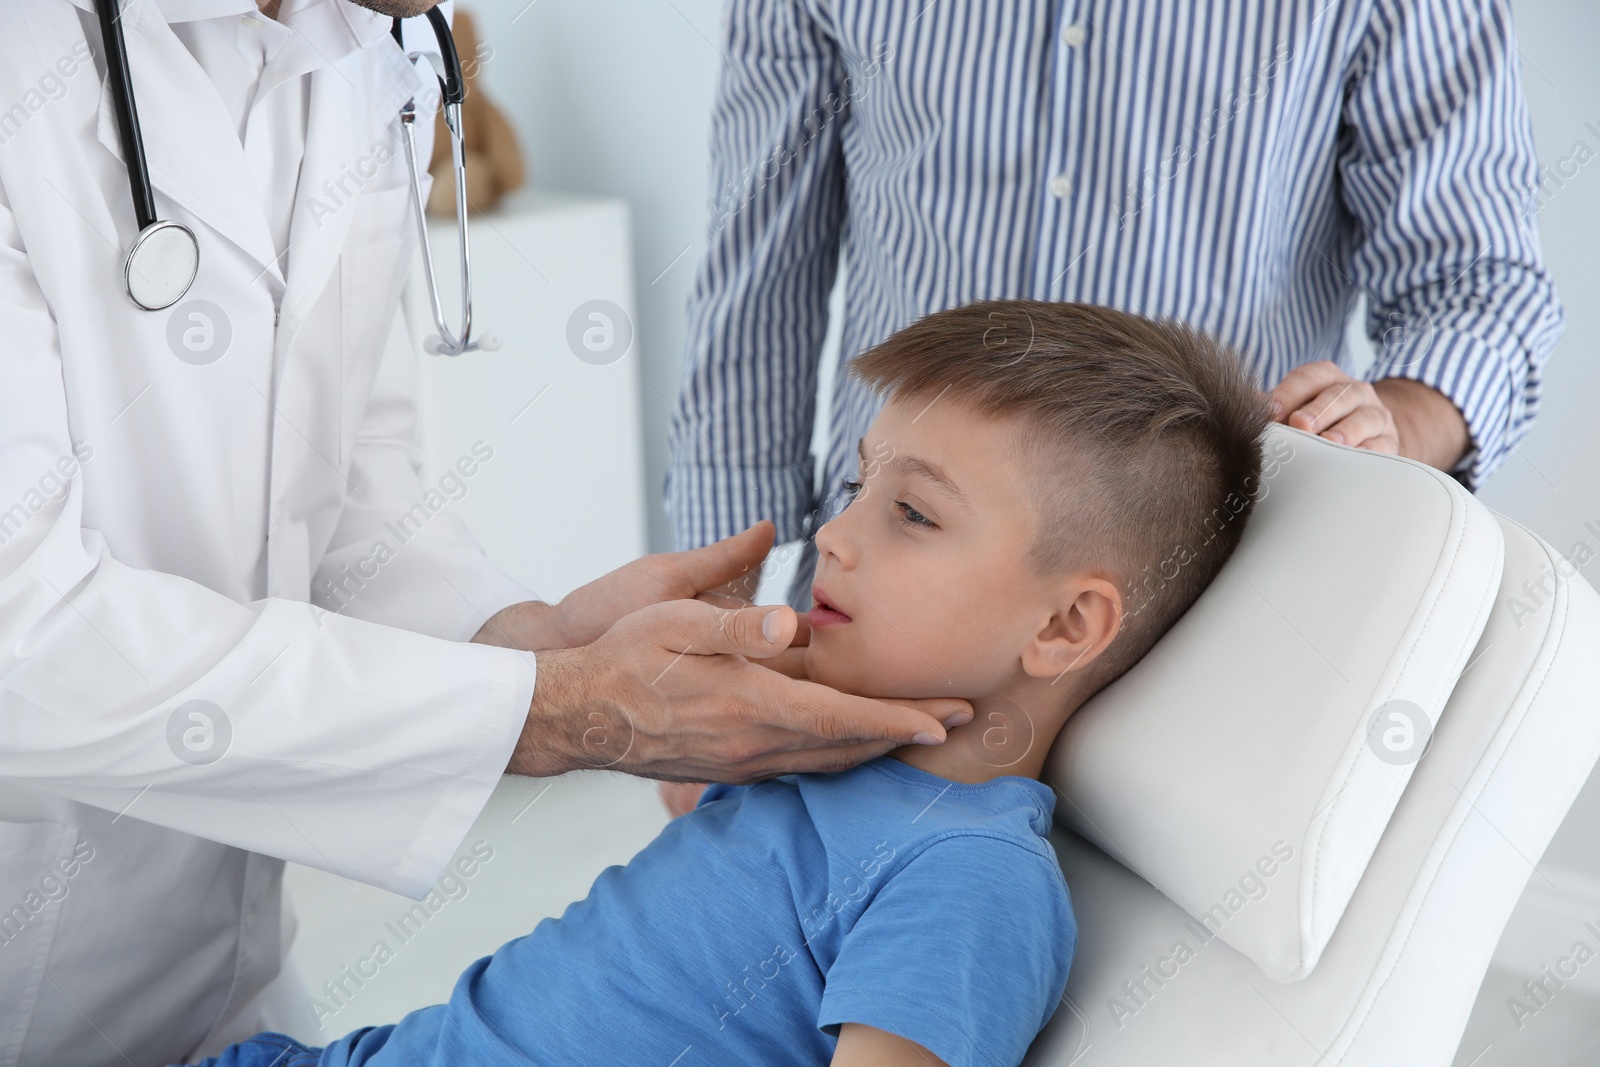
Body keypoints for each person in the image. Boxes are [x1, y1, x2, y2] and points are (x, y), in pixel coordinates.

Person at [0, 3, 968, 1064]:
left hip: (213, 979)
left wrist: (526, 639)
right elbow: (22, 634)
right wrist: (552, 711)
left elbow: (340, 474)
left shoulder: (368, 43)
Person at [176, 299, 1275, 1067]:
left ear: (1064, 623)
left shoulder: (965, 876)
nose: (832, 536)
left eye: (913, 513)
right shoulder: (809, 757)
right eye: (856, 486)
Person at [666, 0, 1562, 607]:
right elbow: (758, 279)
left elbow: (1478, 285)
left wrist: (1391, 427)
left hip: (1209, 607)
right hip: (883, 597)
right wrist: (715, 615)